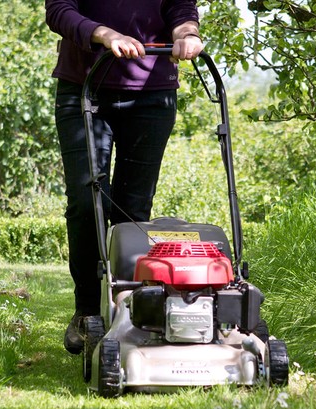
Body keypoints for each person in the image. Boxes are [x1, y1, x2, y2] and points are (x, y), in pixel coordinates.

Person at [45, 0, 204, 354]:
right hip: (85, 88)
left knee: (133, 210)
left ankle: (128, 311)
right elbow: (58, 10)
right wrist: (104, 34)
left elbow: (180, 8)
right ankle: (86, 311)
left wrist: (186, 33)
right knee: (88, 202)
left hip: (152, 95)